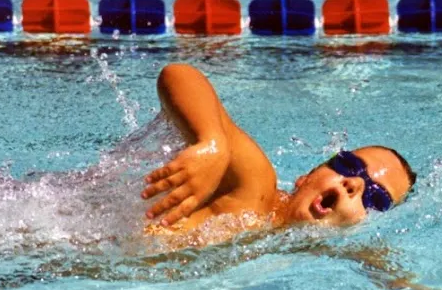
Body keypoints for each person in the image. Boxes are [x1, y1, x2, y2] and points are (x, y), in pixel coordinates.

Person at [141, 63, 417, 234]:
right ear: (306, 177)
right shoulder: (255, 188)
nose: (354, 182)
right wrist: (213, 143)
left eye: (376, 197)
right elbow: (179, 74)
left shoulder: (304, 240)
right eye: (348, 165)